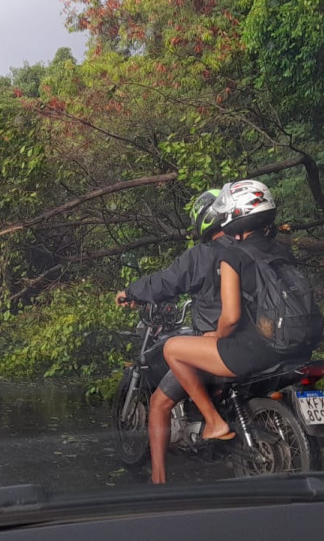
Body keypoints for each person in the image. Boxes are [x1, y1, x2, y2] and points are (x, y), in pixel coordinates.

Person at [163, 179, 313, 442]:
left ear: (236, 215)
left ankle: (213, 422)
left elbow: (231, 317)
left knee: (172, 348)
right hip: (297, 344)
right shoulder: (283, 251)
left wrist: (217, 335)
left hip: (260, 349)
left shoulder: (233, 256)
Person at [115, 188, 227, 484]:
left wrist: (131, 292)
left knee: (159, 403)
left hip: (218, 344)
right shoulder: (249, 250)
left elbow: (166, 281)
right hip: (258, 340)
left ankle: (159, 481)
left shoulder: (201, 256)